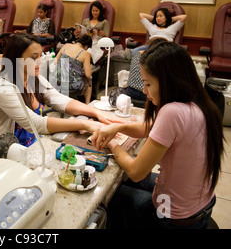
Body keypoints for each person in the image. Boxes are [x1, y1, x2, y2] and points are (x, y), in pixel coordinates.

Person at [91, 41, 224, 229]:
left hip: (173, 216)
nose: (144, 91)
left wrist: (113, 144)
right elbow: (150, 128)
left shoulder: (172, 112)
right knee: (123, 182)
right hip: (201, 204)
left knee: (108, 195)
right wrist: (116, 128)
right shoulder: (197, 103)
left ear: (169, 80)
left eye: (147, 84)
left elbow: (137, 172)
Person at [0, 33, 121, 148]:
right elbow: (36, 124)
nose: (40, 61)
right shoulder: (3, 88)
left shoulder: (35, 79)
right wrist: (86, 123)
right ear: (16, 59)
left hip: (32, 145)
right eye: (33, 57)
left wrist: (96, 112)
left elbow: (61, 101)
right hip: (3, 152)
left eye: (40, 56)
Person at [54, 34, 93, 103]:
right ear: (86, 46)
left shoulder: (65, 46)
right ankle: (87, 105)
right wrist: (89, 68)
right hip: (71, 86)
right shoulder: (85, 53)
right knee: (89, 81)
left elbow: (54, 62)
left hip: (57, 82)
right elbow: (88, 75)